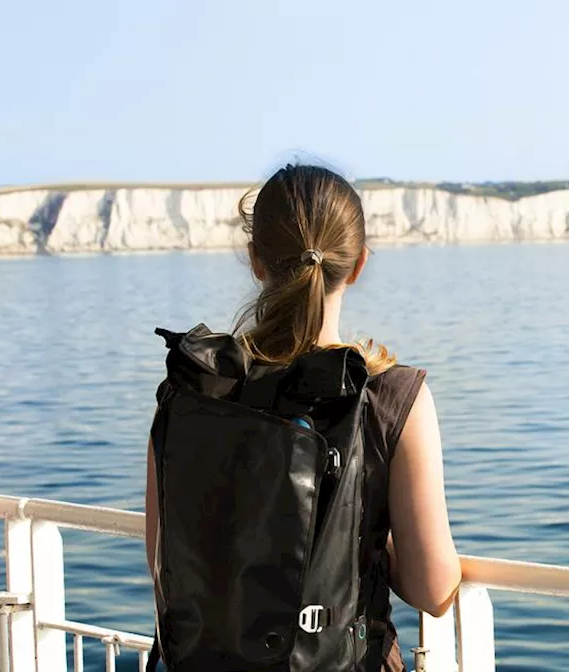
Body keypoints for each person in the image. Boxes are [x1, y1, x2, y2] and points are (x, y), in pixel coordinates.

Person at [143, 164, 461, 671]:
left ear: (255, 261)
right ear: (357, 266)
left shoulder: (190, 388)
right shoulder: (389, 396)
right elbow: (434, 589)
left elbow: (164, 564)